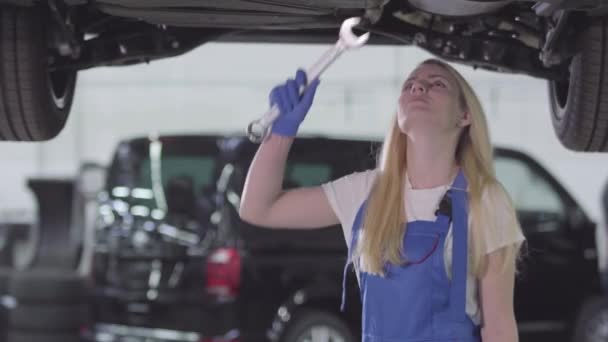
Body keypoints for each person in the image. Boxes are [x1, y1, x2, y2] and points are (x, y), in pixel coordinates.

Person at [239, 58, 526, 342]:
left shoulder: (485, 198)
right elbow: (258, 208)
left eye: (436, 84)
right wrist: (280, 132)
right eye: (410, 84)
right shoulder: (364, 192)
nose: (418, 89)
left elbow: (499, 329)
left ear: (464, 115)